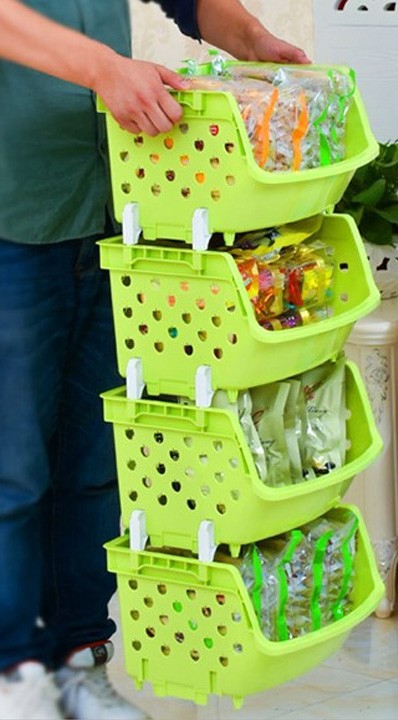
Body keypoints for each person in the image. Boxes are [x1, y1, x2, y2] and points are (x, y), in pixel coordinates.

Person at [0, 2, 310, 719]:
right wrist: (105, 70)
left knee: (95, 461)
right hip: (12, 214)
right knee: (12, 476)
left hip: (115, 204)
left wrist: (252, 41)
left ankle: (77, 663)